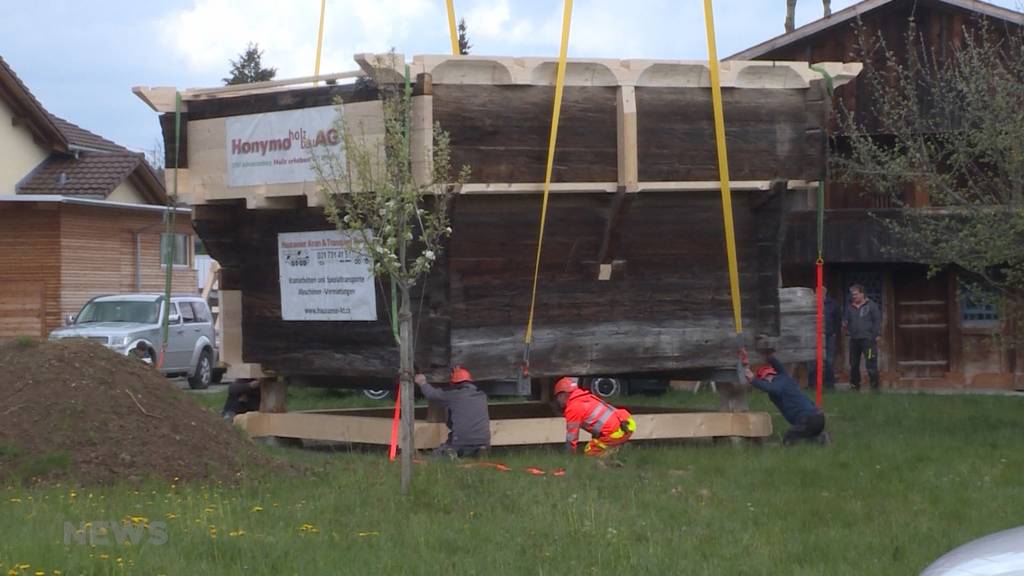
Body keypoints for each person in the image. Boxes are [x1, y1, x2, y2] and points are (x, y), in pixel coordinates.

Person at [742, 351, 827, 445]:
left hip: (807, 420)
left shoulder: (777, 384)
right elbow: (778, 366)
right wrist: (770, 357)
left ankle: (816, 440)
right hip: (819, 417)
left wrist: (753, 380)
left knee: (790, 438)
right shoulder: (785, 377)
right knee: (807, 435)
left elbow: (770, 388)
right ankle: (819, 438)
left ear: (766, 378)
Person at [414, 366, 491, 458]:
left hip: (461, 441)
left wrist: (422, 382)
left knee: (436, 456)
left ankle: (451, 453)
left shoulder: (453, 395)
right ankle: (479, 451)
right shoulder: (482, 395)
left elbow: (432, 394)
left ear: (453, 383)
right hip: (484, 441)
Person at [554, 377, 636, 457]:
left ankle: (612, 458)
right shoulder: (585, 396)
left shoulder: (573, 408)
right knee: (601, 444)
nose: (558, 400)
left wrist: (568, 456)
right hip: (627, 423)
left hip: (615, 432)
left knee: (590, 452)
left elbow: (572, 437)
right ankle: (617, 450)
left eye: (558, 397)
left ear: (563, 394)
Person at [844, 283, 882, 391]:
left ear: (862, 294)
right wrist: (845, 324)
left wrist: (873, 336)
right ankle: (854, 387)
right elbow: (845, 321)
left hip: (868, 342)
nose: (853, 296)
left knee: (871, 364)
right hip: (854, 341)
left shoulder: (872, 306)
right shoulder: (849, 307)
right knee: (854, 364)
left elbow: (877, 322)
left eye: (856, 294)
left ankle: (875, 388)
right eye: (852, 294)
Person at [807, 286, 842, 390]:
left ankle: (829, 385)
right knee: (812, 361)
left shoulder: (833, 304)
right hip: (814, 336)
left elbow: (838, 320)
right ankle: (812, 385)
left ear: (825, 293)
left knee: (829, 361)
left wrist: (834, 333)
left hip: (828, 336)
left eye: (820, 293)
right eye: (816, 293)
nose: (818, 295)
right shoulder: (811, 304)